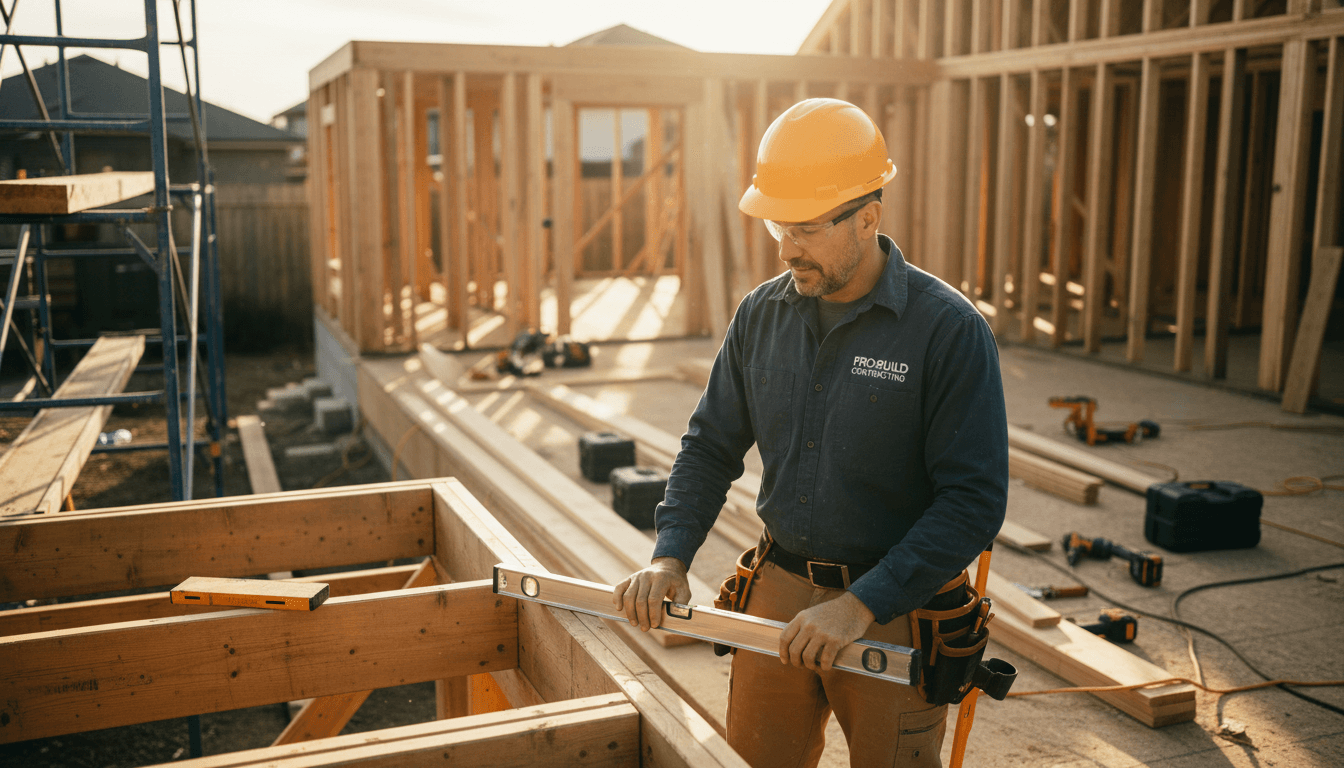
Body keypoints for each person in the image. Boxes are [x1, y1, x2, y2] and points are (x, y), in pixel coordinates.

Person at [614, 98, 1008, 768]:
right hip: (780, 586)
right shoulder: (760, 315)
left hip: (895, 603)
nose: (785, 248)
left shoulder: (947, 331)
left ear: (868, 218)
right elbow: (709, 447)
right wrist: (669, 557)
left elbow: (973, 501)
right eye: (778, 226)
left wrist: (860, 606)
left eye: (805, 228)